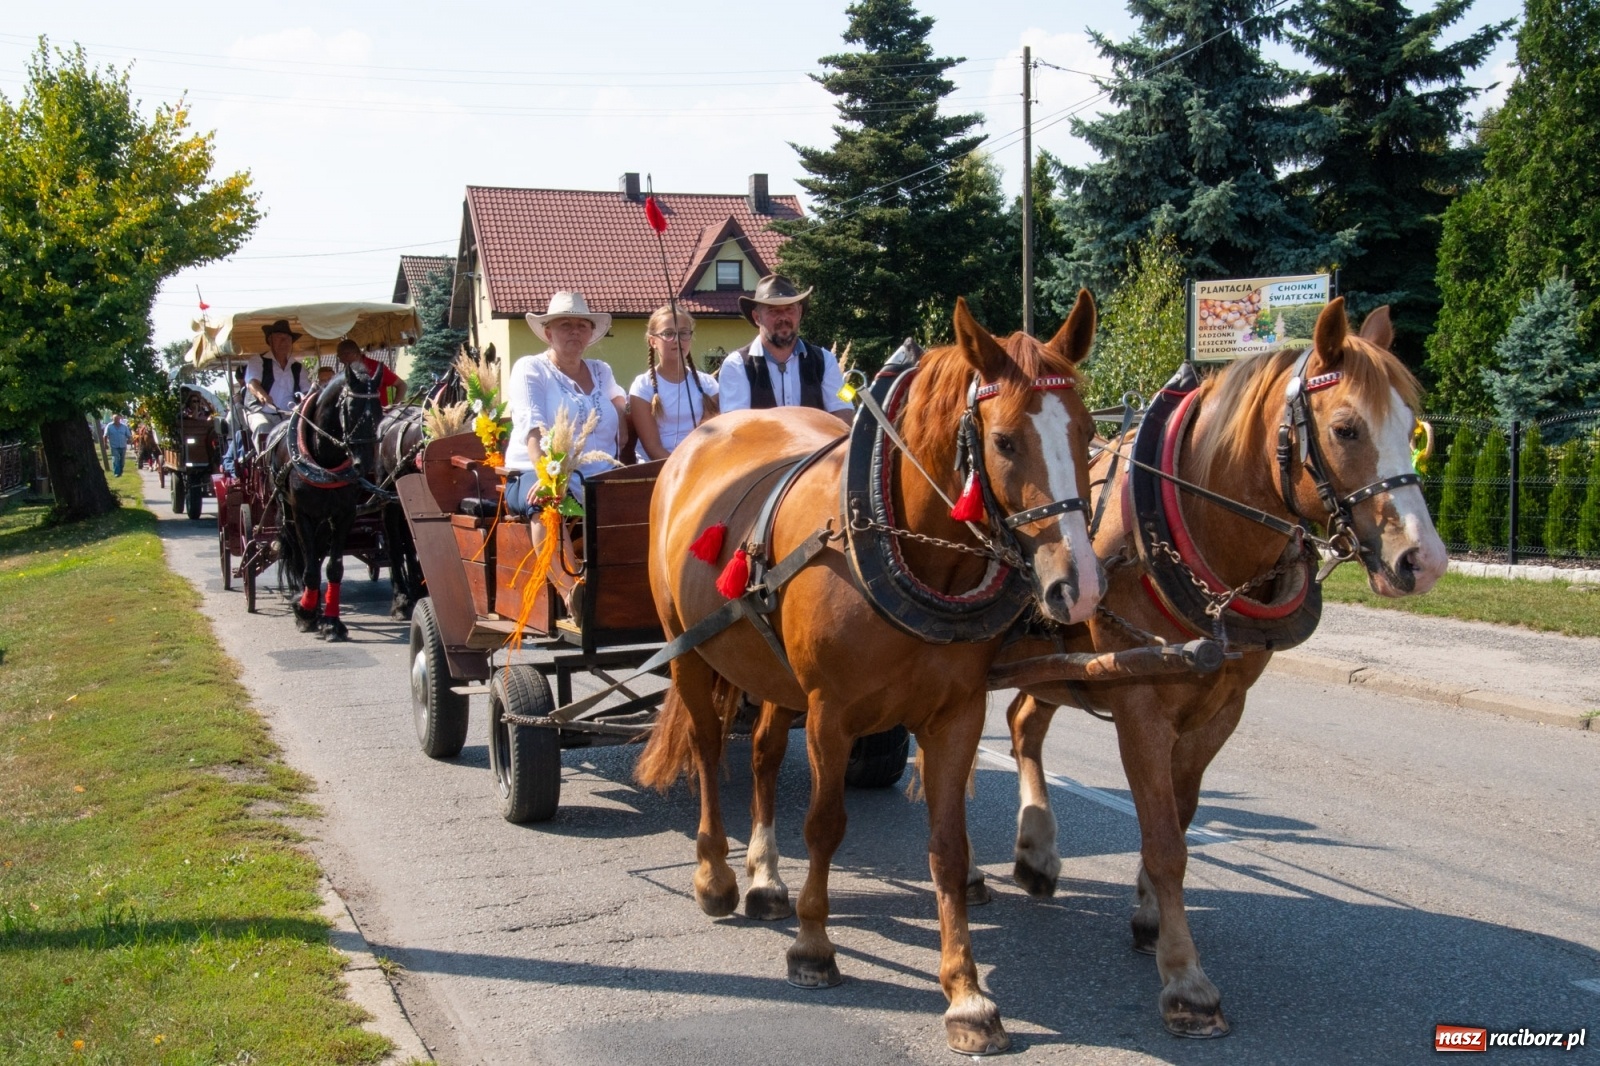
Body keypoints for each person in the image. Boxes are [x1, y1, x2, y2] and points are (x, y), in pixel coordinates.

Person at [504, 291, 625, 516]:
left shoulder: (601, 370)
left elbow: (618, 399)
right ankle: (557, 553)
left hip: (601, 475)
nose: (575, 331)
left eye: (582, 325)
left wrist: (621, 423)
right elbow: (534, 428)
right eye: (565, 324)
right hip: (537, 471)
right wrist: (547, 477)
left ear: (590, 333)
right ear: (549, 333)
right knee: (547, 500)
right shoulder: (531, 368)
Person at [716, 274, 853, 425]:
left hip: (820, 448)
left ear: (799, 312)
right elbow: (737, 427)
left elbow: (844, 412)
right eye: (773, 311)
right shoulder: (736, 365)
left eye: (789, 309)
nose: (783, 317)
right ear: (757, 317)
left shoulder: (826, 361)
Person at [628, 305, 719, 460]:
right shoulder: (643, 387)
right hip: (656, 468)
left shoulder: (707, 385)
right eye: (668, 333)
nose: (677, 340)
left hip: (698, 462)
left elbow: (709, 437)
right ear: (653, 341)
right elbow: (652, 447)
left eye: (683, 333)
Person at [242, 320, 307, 449]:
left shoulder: (297, 366)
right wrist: (263, 396)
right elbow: (253, 383)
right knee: (263, 427)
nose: (284, 342)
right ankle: (266, 465)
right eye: (279, 338)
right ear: (270, 341)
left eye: (287, 339)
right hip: (261, 412)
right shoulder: (258, 360)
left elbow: (306, 390)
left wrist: (305, 401)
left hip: (289, 414)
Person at [334, 340, 406, 406]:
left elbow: (402, 385)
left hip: (379, 417)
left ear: (353, 354)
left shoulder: (376, 367)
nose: (340, 361)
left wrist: (394, 407)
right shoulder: (344, 373)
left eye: (340, 356)